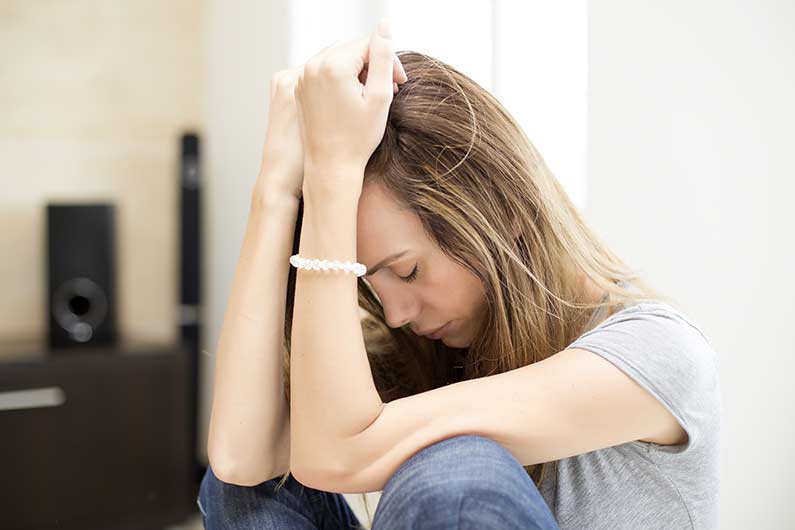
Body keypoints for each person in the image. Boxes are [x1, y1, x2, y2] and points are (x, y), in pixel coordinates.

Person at [198, 18, 721, 530]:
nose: (397, 315)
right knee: (255, 481)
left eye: (407, 271)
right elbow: (241, 457)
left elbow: (339, 454)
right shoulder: (435, 353)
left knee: (455, 472)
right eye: (369, 285)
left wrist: (332, 175)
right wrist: (275, 189)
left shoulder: (657, 352)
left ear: (501, 208)